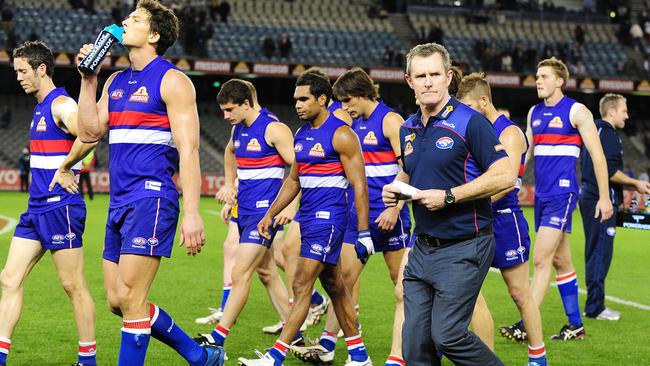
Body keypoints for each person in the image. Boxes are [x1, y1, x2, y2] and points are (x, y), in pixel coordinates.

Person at [74, 1, 223, 365]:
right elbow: (89, 130)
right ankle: (200, 356)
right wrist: (88, 80)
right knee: (117, 300)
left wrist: (191, 212)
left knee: (131, 297)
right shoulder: (116, 80)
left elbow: (189, 150)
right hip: (119, 199)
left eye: (135, 20)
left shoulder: (173, 81)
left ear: (154, 35)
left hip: (152, 196)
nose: (125, 22)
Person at [382, 42, 512, 366]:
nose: (428, 81)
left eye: (435, 74)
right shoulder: (407, 129)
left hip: (465, 245)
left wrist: (450, 195)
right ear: (409, 81)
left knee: (448, 335)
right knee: (414, 347)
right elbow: (411, 169)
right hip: (422, 248)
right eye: (421, 75)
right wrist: (397, 192)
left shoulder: (471, 122)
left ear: (448, 77)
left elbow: (505, 174)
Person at [238, 71, 372, 366]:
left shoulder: (342, 134)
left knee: (301, 284)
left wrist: (363, 233)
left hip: (330, 220)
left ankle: (275, 357)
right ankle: (359, 356)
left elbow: (360, 185)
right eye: (295, 99)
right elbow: (293, 181)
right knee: (335, 286)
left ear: (322, 100)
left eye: (304, 99)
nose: (297, 105)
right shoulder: (301, 135)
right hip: (308, 219)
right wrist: (270, 214)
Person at [291, 67, 411, 366]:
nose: (344, 108)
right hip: (359, 215)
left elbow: (409, 168)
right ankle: (330, 344)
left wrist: (394, 207)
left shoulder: (391, 120)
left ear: (360, 94)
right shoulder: (354, 125)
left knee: (403, 285)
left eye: (347, 101)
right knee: (342, 280)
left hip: (389, 215)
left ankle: (409, 348)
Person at [502, 57, 613, 342]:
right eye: (537, 76)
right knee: (562, 261)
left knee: (540, 260)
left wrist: (604, 197)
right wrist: (511, 179)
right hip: (541, 196)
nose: (538, 81)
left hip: (563, 195)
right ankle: (575, 325)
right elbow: (525, 154)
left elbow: (598, 156)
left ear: (560, 80)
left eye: (544, 76)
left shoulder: (577, 111)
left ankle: (526, 324)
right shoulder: (533, 113)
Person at [0, 40, 97, 366]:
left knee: (73, 286)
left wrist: (67, 166)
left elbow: (88, 131)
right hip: (35, 209)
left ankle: (88, 359)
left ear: (42, 69)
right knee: (9, 279)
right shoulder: (41, 107)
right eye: (16, 72)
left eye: (23, 71)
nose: (18, 77)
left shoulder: (60, 105)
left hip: (61, 207)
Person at [194, 78, 298, 349]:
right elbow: (230, 153)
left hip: (265, 215)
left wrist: (289, 205)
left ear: (246, 103)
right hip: (245, 213)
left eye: (230, 110)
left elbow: (300, 169)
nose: (225, 116)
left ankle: (218, 337)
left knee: (240, 273)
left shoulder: (274, 128)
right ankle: (294, 334)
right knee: (267, 272)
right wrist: (229, 186)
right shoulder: (238, 129)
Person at [458, 72, 548, 366]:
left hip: (505, 222)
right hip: (477, 221)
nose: (465, 114)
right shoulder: (476, 131)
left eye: (469, 107)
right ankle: (486, 359)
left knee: (520, 294)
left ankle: (538, 357)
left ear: (484, 101)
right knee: (469, 294)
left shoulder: (509, 133)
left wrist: (464, 202)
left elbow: (505, 183)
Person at [579, 93, 650, 320]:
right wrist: (635, 182)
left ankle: (594, 304)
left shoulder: (593, 131)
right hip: (601, 198)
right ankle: (595, 307)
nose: (627, 116)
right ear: (611, 112)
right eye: (624, 110)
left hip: (589, 195)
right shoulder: (608, 134)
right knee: (600, 251)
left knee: (594, 251)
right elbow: (609, 171)